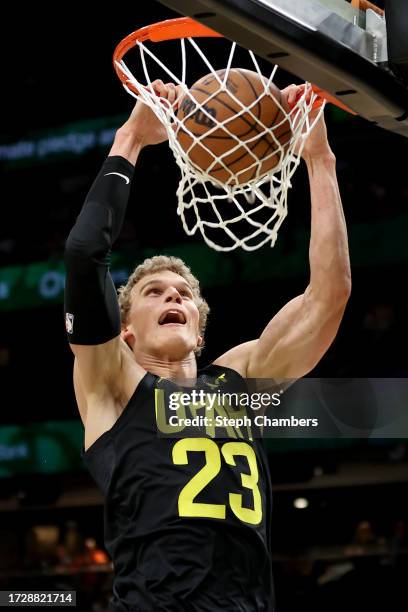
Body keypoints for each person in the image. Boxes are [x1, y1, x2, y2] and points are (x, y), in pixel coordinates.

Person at [64, 80, 351, 611]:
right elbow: (84, 255)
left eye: (184, 294)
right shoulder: (113, 385)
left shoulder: (237, 382)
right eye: (154, 293)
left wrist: (319, 157)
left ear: (199, 330)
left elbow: (327, 297)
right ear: (125, 332)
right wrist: (131, 137)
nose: (173, 294)